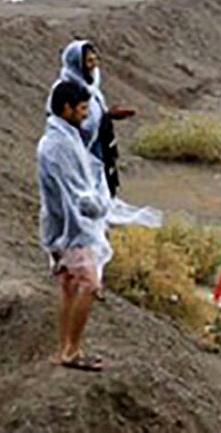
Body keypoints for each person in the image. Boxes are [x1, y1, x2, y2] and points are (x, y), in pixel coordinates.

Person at [39, 80, 112, 372]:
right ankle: (72, 350)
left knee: (70, 287)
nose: (85, 114)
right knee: (89, 286)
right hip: (71, 230)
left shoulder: (61, 139)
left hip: (62, 230)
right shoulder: (60, 145)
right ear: (66, 108)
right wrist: (100, 206)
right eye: (81, 108)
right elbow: (76, 193)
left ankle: (65, 348)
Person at [48, 40, 134, 197]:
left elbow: (92, 114)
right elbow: (67, 123)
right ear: (77, 63)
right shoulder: (65, 90)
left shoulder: (90, 86)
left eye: (95, 60)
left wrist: (108, 115)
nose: (94, 65)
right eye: (89, 61)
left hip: (100, 146)